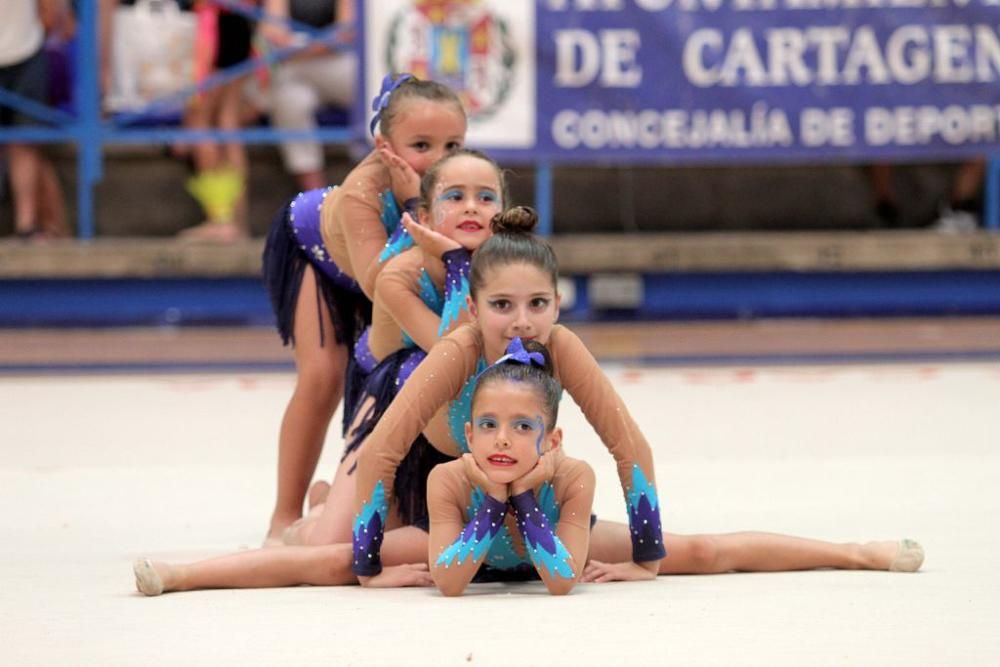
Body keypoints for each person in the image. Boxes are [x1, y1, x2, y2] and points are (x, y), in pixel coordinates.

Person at [260, 73, 466, 545]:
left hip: (384, 269)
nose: (440, 159)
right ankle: (283, 515)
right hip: (321, 254)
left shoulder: (463, 180)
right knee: (323, 376)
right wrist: (415, 202)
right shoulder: (362, 191)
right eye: (421, 144)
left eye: (454, 144)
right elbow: (380, 288)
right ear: (384, 144)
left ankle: (350, 502)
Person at [280, 147, 504, 547]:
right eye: (455, 197)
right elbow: (451, 350)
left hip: (457, 412)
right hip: (388, 405)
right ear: (423, 214)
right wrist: (455, 263)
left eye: (486, 198)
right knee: (332, 548)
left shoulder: (510, 269)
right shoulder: (399, 272)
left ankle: (333, 500)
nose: (472, 208)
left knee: (431, 541)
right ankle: (318, 509)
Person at [428, 339, 595, 596]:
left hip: (559, 544)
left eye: (523, 426)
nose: (501, 439)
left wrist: (522, 494)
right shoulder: (448, 479)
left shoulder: (573, 477)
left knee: (679, 553)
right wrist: (494, 500)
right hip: (474, 559)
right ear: (470, 436)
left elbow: (562, 582)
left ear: (553, 441)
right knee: (343, 563)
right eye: (488, 424)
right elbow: (448, 585)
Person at [176, 0, 257, 241]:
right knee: (226, 122)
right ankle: (237, 221)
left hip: (217, 22)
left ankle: (220, 218)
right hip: (238, 20)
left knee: (200, 122)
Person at [258, 0, 356, 191]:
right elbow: (272, 32)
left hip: (336, 66)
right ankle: (316, 198)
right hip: (297, 70)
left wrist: (298, 48)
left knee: (373, 87)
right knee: (288, 99)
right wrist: (316, 46)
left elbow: (346, 33)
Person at [1, 0, 72, 240]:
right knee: (25, 145)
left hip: (26, 51)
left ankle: (27, 228)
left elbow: (53, 16)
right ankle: (29, 227)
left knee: (26, 143)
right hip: (26, 48)